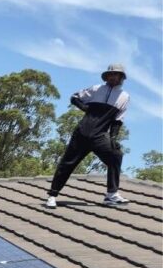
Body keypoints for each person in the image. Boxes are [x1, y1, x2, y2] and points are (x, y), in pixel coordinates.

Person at [45, 64, 129, 209]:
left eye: (116, 75)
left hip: (100, 136)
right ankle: (52, 196)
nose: (113, 77)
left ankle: (111, 195)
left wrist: (113, 138)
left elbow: (117, 120)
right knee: (67, 163)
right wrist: (85, 108)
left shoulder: (124, 97)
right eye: (110, 74)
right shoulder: (96, 89)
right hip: (82, 133)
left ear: (121, 77)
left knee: (116, 155)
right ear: (106, 77)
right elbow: (74, 97)